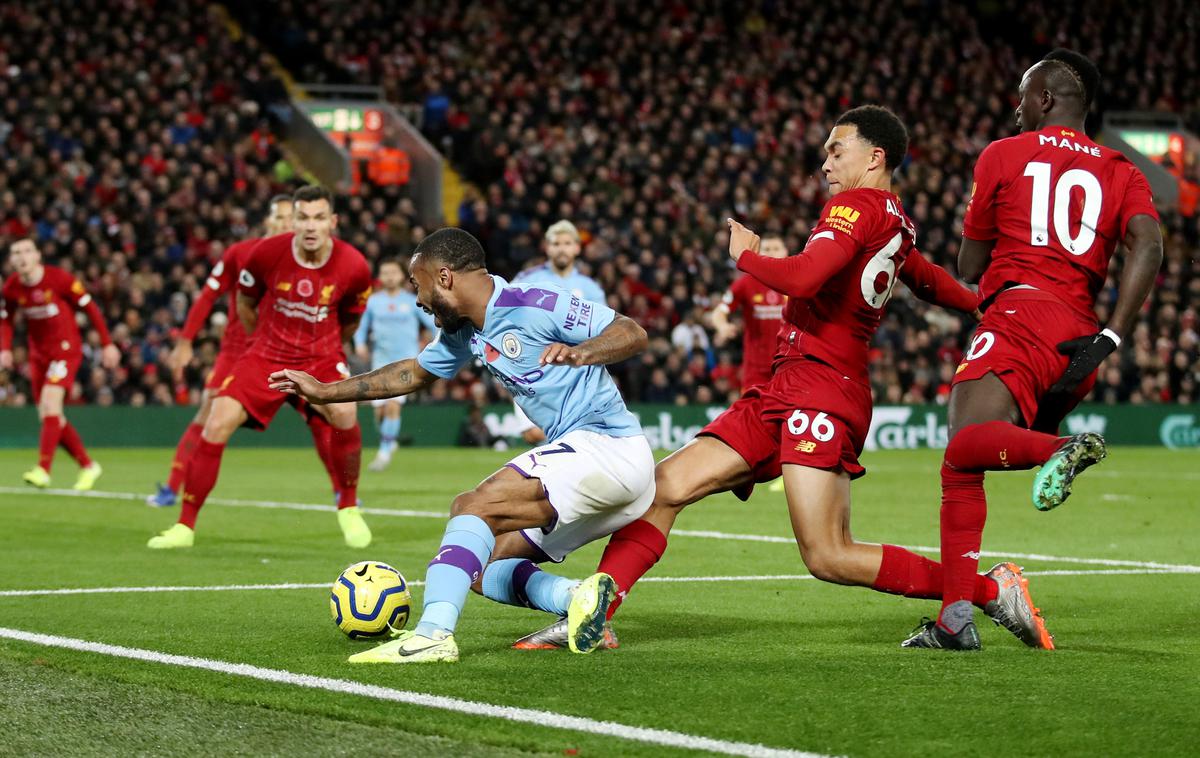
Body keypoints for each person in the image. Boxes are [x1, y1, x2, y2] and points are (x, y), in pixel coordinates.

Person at [515, 106, 1041, 652]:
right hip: (781, 388)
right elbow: (928, 280)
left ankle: (986, 589)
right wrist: (983, 305)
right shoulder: (895, 218)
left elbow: (806, 278)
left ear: (875, 156)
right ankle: (592, 614)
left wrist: (745, 256)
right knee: (662, 489)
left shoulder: (855, 206)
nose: (826, 162)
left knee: (828, 555)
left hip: (823, 390)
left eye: (838, 150)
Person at [270, 227, 653, 663]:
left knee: (471, 507)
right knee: (480, 566)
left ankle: (433, 635)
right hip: (599, 469)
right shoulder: (465, 331)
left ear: (445, 277)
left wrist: (585, 351)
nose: (418, 299)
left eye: (420, 284)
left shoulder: (533, 302)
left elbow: (632, 331)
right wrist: (325, 391)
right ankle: (579, 600)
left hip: (608, 446)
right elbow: (411, 374)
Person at [903, 50, 1163, 650]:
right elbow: (1148, 246)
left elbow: (971, 265)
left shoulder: (1004, 153)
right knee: (967, 462)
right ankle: (954, 621)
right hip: (1079, 342)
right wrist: (1111, 338)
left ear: (1046, 98)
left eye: (1024, 94)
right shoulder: (1123, 169)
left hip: (1020, 315)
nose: (1016, 106)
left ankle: (1064, 448)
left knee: (963, 447)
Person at [146, 185, 374, 550]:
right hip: (267, 354)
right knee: (216, 421)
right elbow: (246, 305)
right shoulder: (265, 254)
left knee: (346, 413)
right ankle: (184, 526)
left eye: (318, 218)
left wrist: (329, 348)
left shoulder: (355, 265)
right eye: (303, 217)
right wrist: (260, 344)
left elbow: (350, 319)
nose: (310, 226)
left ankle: (348, 506)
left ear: (332, 221)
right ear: (292, 221)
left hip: (322, 357)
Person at [1, 238, 120, 489]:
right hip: (38, 356)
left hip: (65, 350)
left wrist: (107, 343)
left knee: (50, 404)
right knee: (50, 415)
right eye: (16, 253)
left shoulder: (60, 279)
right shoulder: (12, 288)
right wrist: (5, 349)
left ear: (37, 256)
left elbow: (91, 308)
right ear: (11, 260)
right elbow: (6, 320)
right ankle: (88, 466)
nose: (21, 257)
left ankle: (43, 469)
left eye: (26, 251)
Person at [511, 220, 605, 442]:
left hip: (577, 373)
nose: (561, 248)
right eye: (556, 243)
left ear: (576, 248)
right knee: (534, 434)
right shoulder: (528, 280)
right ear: (547, 247)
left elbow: (603, 330)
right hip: (536, 368)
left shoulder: (590, 288)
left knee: (569, 440)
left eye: (567, 243)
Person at [353, 258, 435, 471]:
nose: (389, 276)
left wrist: (438, 342)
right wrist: (360, 343)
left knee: (392, 405)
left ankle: (384, 451)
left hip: (405, 361)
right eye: (385, 272)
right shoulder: (373, 301)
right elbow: (362, 326)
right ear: (379, 277)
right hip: (380, 361)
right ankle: (389, 439)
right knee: (380, 412)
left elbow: (432, 324)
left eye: (393, 272)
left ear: (402, 276)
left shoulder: (412, 301)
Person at [711, 233, 788, 391]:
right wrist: (722, 326)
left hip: (787, 366)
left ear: (785, 252)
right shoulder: (746, 283)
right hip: (756, 370)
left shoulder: (794, 282)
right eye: (767, 248)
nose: (772, 252)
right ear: (759, 253)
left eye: (776, 248)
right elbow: (719, 311)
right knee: (752, 413)